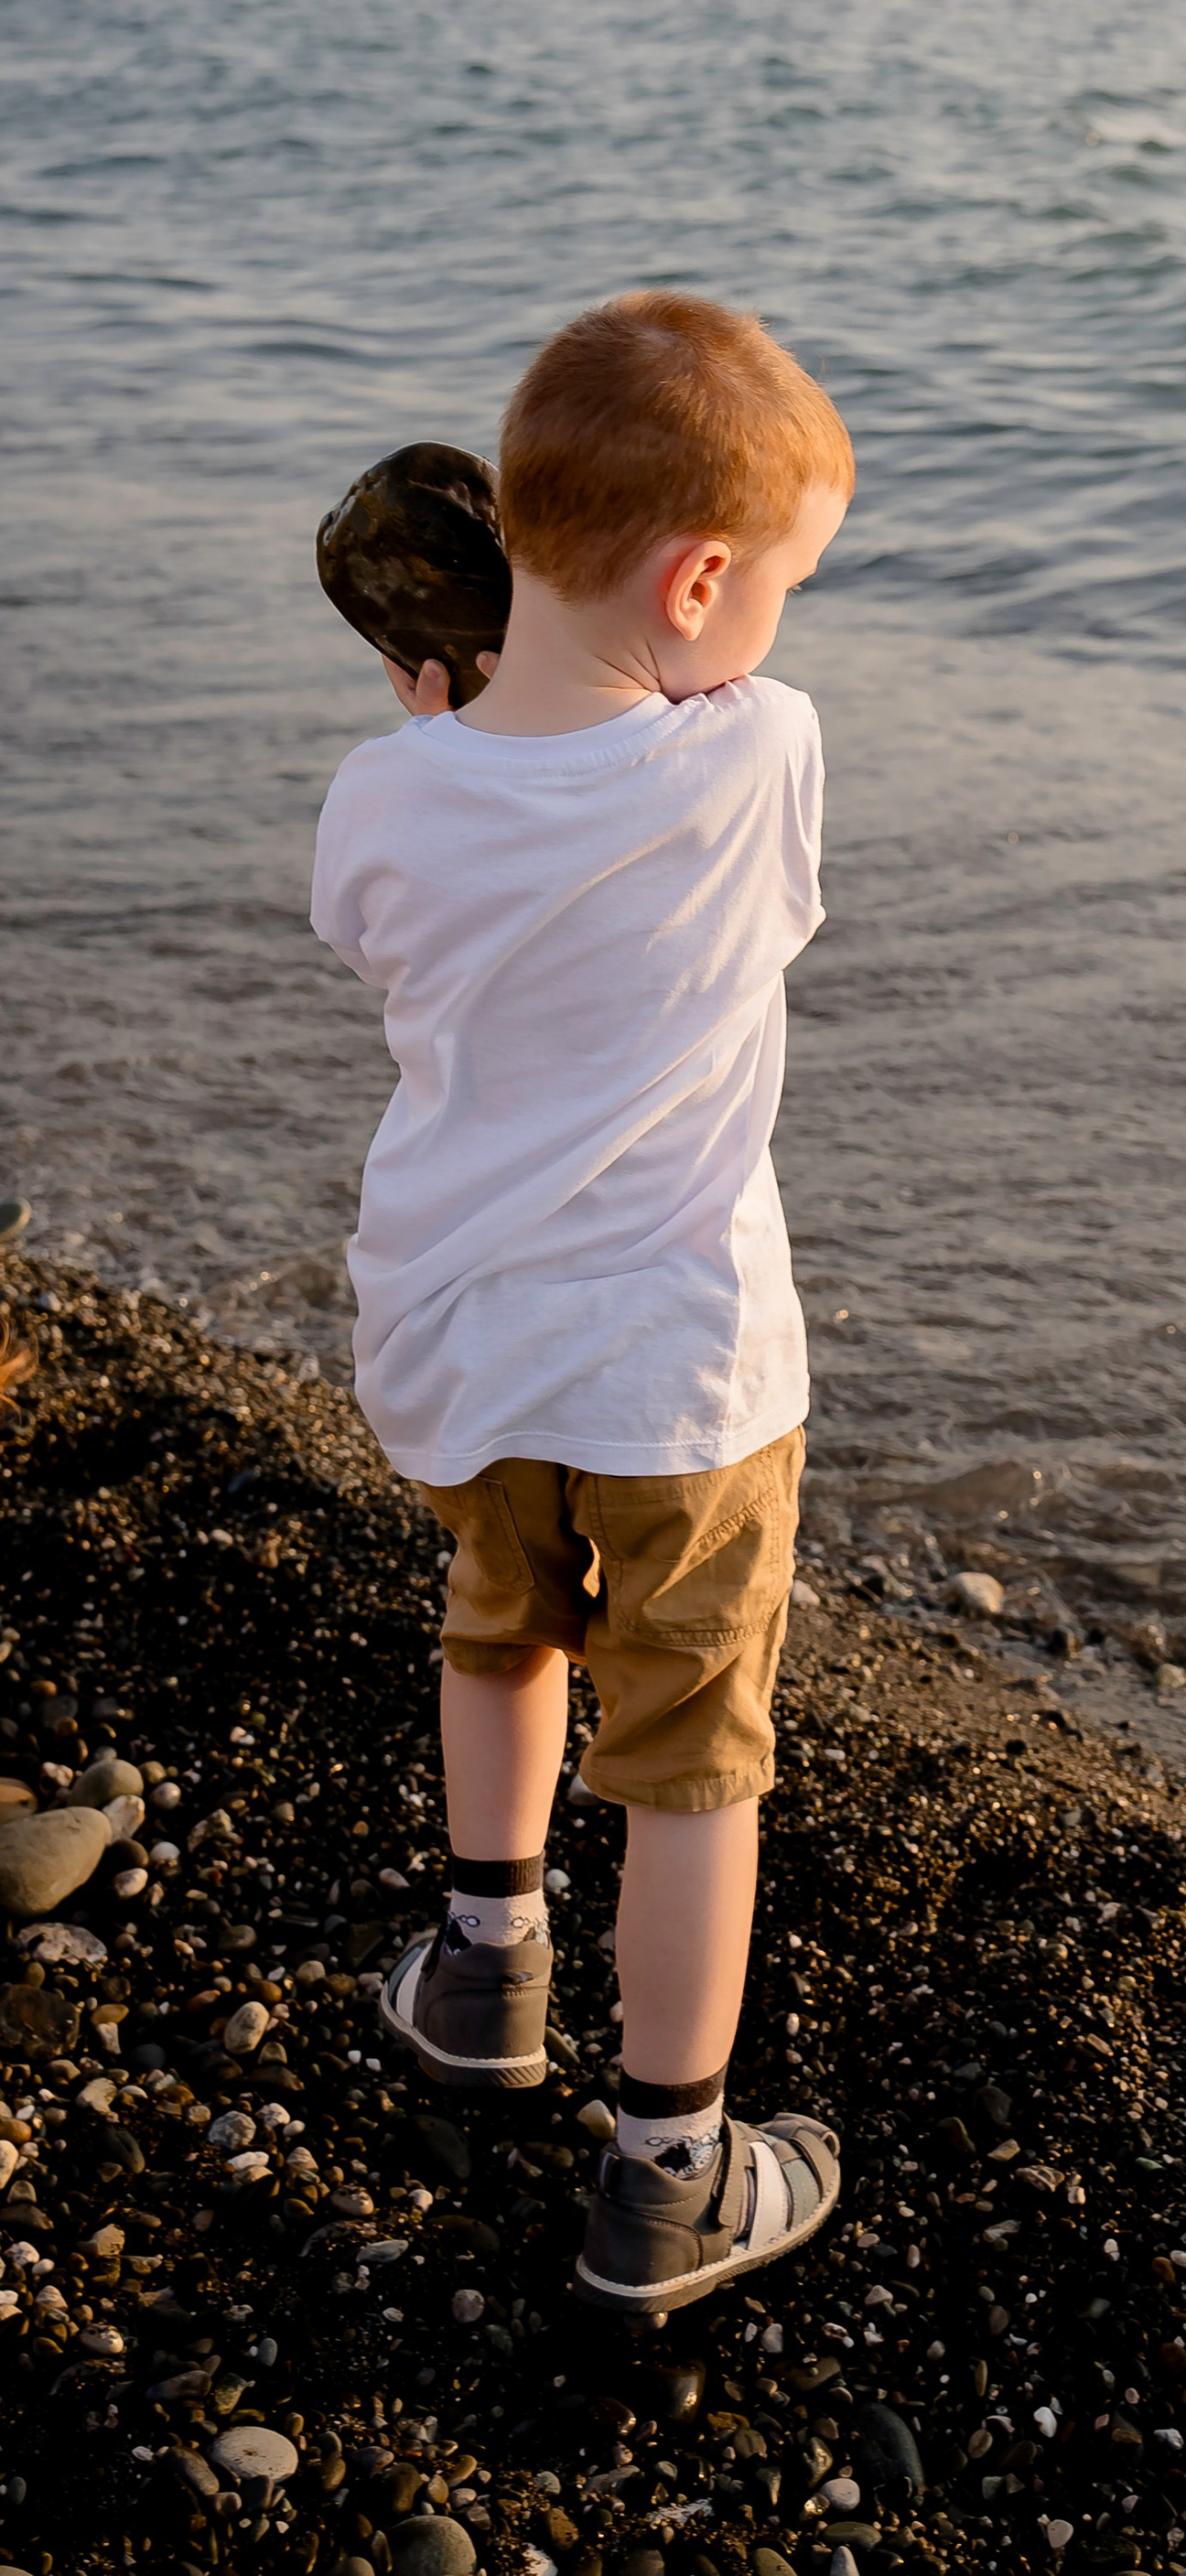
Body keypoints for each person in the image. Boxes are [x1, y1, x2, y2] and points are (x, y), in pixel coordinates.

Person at [311, 290, 853, 2316]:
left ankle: (483, 1972)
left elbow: (379, 933)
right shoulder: (759, 757)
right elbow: (703, 726)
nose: (778, 630)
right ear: (702, 578)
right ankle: (666, 2171)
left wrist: (453, 702)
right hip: (683, 1369)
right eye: (777, 583)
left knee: (499, 1625)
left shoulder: (386, 793)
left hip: (459, 1333)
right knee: (695, 1752)